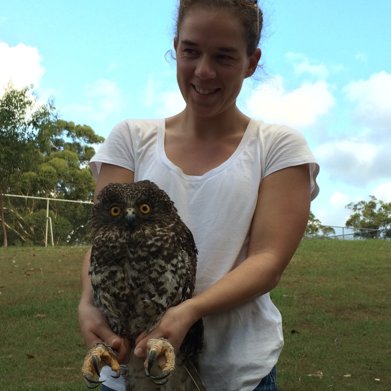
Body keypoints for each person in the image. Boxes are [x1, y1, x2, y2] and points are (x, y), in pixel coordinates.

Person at [78, 0, 319, 390]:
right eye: (191, 51)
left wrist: (190, 311)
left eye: (224, 56)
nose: (204, 71)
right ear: (176, 47)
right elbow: (103, 242)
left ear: (251, 61)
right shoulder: (131, 139)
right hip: (124, 366)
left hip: (234, 368)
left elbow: (268, 260)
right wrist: (88, 304)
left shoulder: (277, 147)